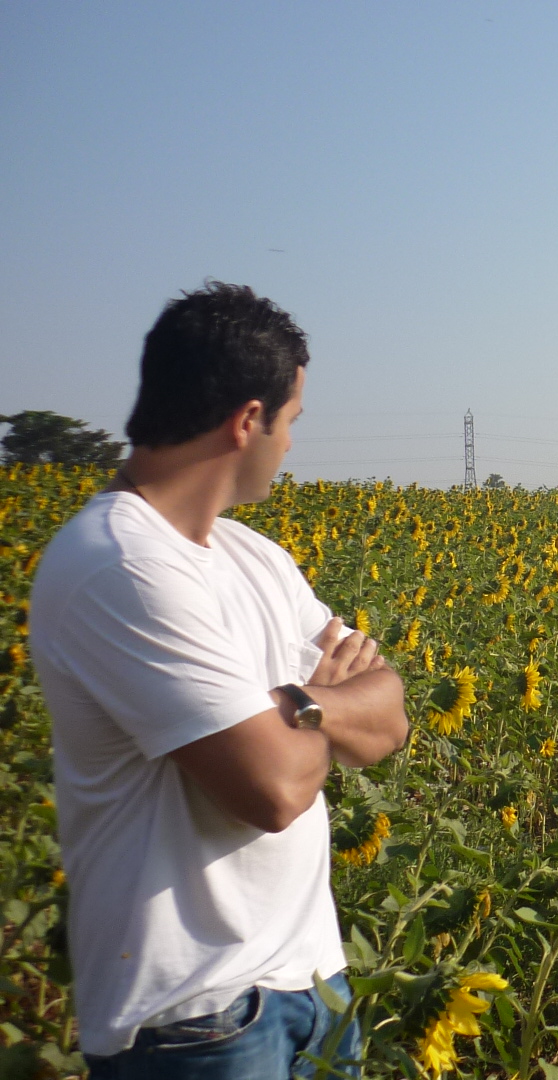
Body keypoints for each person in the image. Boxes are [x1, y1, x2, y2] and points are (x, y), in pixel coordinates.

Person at [29, 282, 410, 1078]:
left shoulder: (255, 559)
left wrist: (297, 705)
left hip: (313, 983)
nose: (291, 446)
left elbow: (389, 716)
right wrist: (319, 716)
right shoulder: (120, 566)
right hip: (198, 1020)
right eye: (291, 423)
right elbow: (271, 790)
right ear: (247, 421)